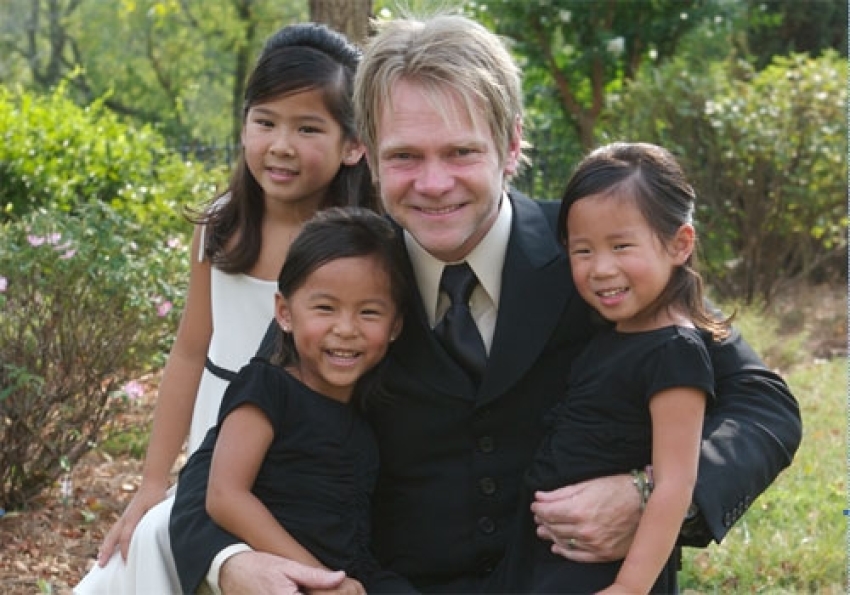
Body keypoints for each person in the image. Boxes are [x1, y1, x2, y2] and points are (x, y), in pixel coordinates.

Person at [173, 13, 802, 594]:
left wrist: (652, 493)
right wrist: (232, 564)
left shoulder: (599, 260)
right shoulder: (342, 282)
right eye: (405, 157)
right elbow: (212, 470)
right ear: (368, 153)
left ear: (511, 145)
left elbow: (763, 404)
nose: (434, 182)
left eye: (461, 152)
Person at [75, 22, 373, 594]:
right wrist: (152, 481)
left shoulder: (355, 247)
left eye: (308, 127)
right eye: (264, 122)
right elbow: (190, 352)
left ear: (353, 145)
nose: (280, 145)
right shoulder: (222, 225)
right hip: (216, 440)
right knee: (141, 550)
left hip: (302, 454)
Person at [489, 142, 730, 593]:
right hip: (550, 554)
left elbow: (675, 484)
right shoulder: (612, 333)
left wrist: (629, 587)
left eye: (621, 246)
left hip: (604, 571)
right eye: (582, 252)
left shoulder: (674, 350)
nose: (601, 268)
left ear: (679, 244)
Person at [170, 207, 406, 594]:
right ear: (284, 313)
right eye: (325, 308)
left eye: (369, 312)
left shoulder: (367, 422)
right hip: (283, 578)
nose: (345, 329)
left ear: (395, 325)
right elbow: (225, 496)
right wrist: (322, 581)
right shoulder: (266, 388)